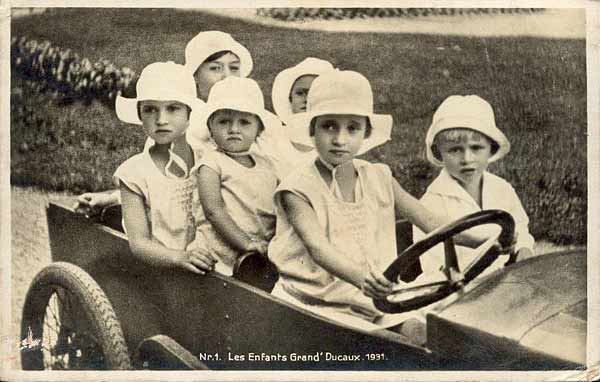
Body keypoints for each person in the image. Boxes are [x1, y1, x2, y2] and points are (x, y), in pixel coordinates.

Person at [268, 70, 473, 331]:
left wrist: (487, 238)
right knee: (398, 347)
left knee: (430, 334)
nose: (340, 139)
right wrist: (363, 278)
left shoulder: (378, 177)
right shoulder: (297, 188)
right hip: (313, 306)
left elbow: (429, 220)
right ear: (312, 129)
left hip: (370, 299)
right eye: (329, 126)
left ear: (366, 132)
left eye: (352, 128)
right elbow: (319, 248)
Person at [75, 31, 253, 215]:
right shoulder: (177, 130)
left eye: (234, 68)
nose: (227, 77)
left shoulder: (255, 124)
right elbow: (160, 186)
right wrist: (113, 198)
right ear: (195, 77)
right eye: (215, 68)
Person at [413, 95, 535, 283]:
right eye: (455, 150)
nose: (467, 158)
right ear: (440, 153)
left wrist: (523, 250)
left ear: (491, 149)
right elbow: (434, 268)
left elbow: (520, 227)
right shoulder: (431, 204)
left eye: (476, 148)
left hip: (504, 280)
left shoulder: (501, 189)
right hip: (458, 291)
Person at [113, 61, 216, 274]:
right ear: (140, 115)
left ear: (189, 114)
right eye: (150, 110)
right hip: (160, 270)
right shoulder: (134, 174)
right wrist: (179, 257)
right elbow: (139, 244)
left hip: (206, 264)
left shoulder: (205, 159)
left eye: (173, 109)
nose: (161, 120)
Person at [187, 77, 280, 276]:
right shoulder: (211, 164)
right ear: (210, 128)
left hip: (260, 251)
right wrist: (246, 243)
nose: (234, 129)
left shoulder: (268, 165)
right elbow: (214, 211)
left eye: (244, 122)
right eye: (224, 122)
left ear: (259, 130)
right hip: (219, 252)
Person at [271, 57, 335, 158]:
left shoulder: (335, 140)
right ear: (290, 98)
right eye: (300, 93)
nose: (307, 99)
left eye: (315, 93)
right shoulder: (273, 136)